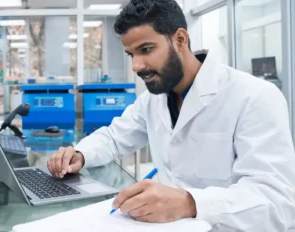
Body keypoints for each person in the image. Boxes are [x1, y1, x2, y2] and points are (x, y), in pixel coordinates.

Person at [47, 0, 295, 230]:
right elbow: (114, 137)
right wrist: (80, 154)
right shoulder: (153, 99)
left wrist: (189, 202)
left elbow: (278, 202)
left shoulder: (255, 97)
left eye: (146, 49)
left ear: (180, 39)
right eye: (132, 54)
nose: (136, 66)